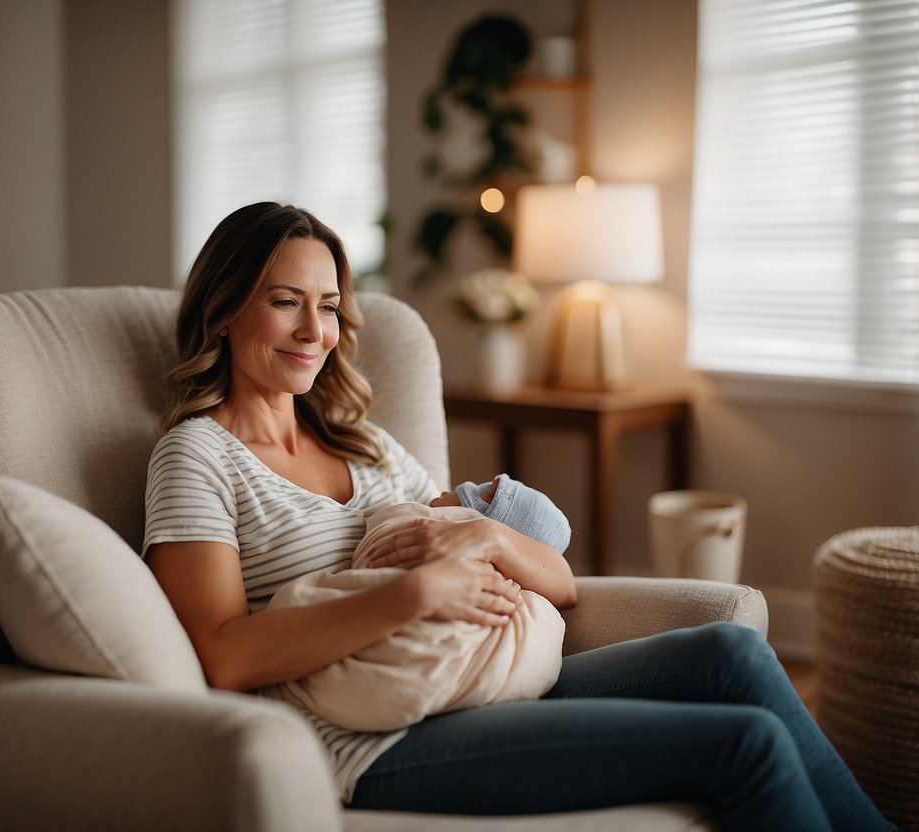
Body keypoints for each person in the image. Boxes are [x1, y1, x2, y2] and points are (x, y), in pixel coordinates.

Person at [142, 202, 893, 830]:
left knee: (732, 655)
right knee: (744, 744)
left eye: (329, 306)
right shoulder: (196, 457)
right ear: (223, 308)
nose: (315, 331)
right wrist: (415, 593)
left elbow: (559, 585)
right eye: (284, 302)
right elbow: (223, 656)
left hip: (484, 672)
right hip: (373, 736)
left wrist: (491, 535)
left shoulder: (361, 443)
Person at [262, 474, 570, 732]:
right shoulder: (217, 458)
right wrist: (421, 590)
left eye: (481, 491)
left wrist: (492, 537)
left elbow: (566, 589)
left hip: (457, 701)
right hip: (374, 741)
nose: (445, 491)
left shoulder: (378, 449)